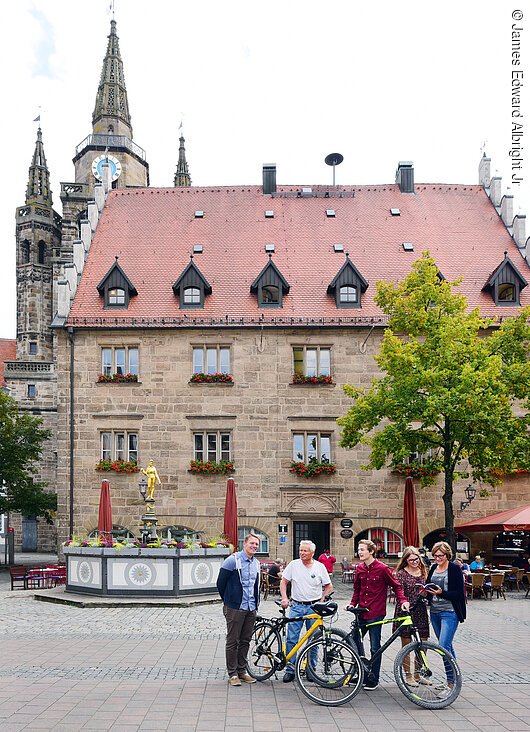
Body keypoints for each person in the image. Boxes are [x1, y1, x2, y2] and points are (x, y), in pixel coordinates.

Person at [347, 539, 409, 691]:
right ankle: (361, 671)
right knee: (353, 641)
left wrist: (403, 601)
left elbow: (396, 586)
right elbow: (357, 589)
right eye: (359, 550)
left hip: (375, 612)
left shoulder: (382, 569)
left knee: (375, 647)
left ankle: (373, 678)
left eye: (362, 550)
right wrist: (352, 604)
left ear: (371, 551)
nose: (359, 552)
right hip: (360, 612)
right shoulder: (359, 568)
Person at [279, 540, 333, 683]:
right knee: (292, 638)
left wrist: (322, 599)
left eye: (305, 551)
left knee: (314, 639)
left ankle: (310, 669)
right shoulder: (293, 565)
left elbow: (329, 586)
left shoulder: (319, 567)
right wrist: (284, 598)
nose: (302, 553)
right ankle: (290, 669)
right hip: (296, 606)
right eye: (301, 550)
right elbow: (284, 582)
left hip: (314, 607)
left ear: (312, 553)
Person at [216, 533, 261, 686]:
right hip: (235, 607)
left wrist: (256, 604)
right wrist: (230, 601)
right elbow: (220, 583)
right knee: (232, 640)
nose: (254, 546)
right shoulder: (232, 561)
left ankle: (242, 671)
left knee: (245, 640)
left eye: (256, 544)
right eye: (252, 543)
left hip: (251, 607)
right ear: (245, 544)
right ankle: (232, 673)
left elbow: (255, 585)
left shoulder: (256, 563)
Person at [424, 541, 466, 688]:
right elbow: (429, 583)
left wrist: (443, 593)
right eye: (435, 556)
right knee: (447, 647)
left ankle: (451, 684)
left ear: (447, 554)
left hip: (450, 612)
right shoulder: (434, 567)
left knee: (443, 646)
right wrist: (425, 592)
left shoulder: (454, 568)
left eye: (440, 556)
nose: (437, 559)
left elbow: (460, 594)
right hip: (435, 611)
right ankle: (452, 680)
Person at [392, 546, 430, 686]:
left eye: (417, 559)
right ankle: (408, 676)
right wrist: (404, 602)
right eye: (411, 560)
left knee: (423, 643)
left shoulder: (423, 572)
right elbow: (399, 591)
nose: (415, 562)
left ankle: (418, 674)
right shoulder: (401, 573)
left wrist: (427, 592)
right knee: (406, 644)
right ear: (406, 560)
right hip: (405, 610)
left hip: (420, 610)